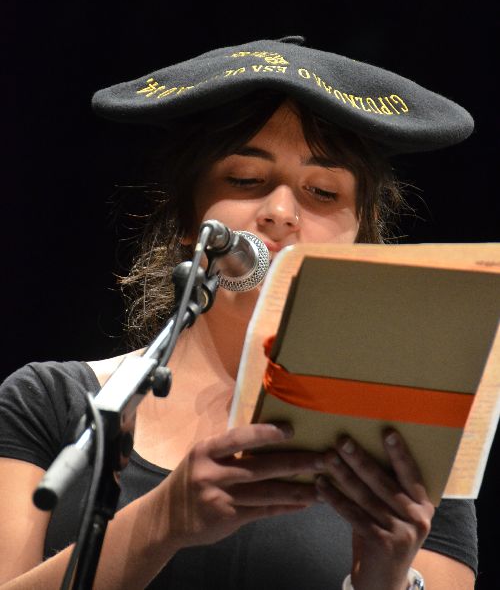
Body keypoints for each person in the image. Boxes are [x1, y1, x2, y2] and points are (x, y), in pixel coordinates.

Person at [0, 37, 477, 589]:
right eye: (246, 181)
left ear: (360, 237)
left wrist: (383, 579)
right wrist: (164, 520)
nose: (280, 212)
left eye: (323, 192)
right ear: (189, 218)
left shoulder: (412, 438)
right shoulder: (48, 402)